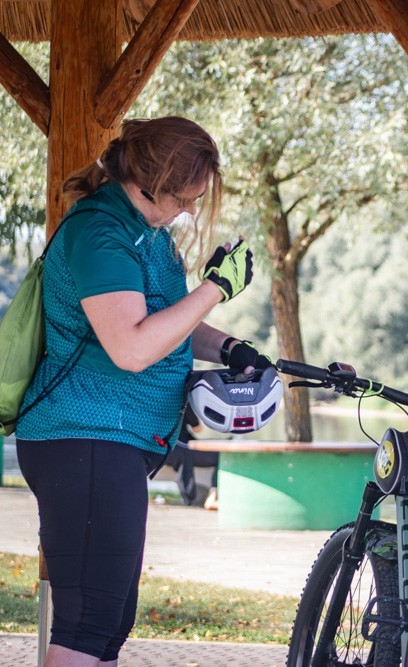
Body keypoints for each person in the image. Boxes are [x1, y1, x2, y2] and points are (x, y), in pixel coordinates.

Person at [15, 116, 271, 667]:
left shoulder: (145, 233)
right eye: (185, 197)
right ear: (149, 182)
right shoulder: (99, 234)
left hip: (115, 444)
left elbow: (165, 321)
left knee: (108, 626)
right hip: (82, 439)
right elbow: (130, 347)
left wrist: (231, 349)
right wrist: (214, 288)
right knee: (86, 626)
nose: (191, 210)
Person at [163, 405, 218, 508]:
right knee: (221, 455)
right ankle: (214, 495)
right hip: (182, 448)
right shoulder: (183, 403)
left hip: (163, 450)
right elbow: (198, 429)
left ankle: (194, 497)